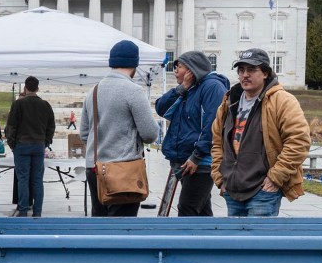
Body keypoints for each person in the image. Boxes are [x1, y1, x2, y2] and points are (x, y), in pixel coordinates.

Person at [211, 49, 310, 217]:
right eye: (241, 70)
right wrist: (220, 178)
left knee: (256, 243)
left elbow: (299, 141)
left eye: (251, 70)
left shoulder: (282, 101)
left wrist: (275, 177)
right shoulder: (229, 102)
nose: (245, 75)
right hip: (232, 190)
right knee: (235, 243)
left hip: (263, 192)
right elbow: (216, 142)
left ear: (265, 73)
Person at [80, 40, 159, 217]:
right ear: (135, 64)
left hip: (95, 168)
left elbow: (84, 133)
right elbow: (150, 134)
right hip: (124, 170)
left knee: (100, 225)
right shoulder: (133, 91)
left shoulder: (93, 90)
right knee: (123, 229)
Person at [154, 51, 230, 216]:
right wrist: (181, 89)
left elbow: (214, 126)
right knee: (201, 211)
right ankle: (208, 240)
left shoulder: (212, 87)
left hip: (200, 162)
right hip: (184, 160)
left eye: (179, 67)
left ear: (191, 70)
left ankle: (185, 242)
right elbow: (161, 108)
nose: (175, 71)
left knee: (187, 208)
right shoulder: (188, 89)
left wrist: (196, 156)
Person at [5, 75, 55, 217]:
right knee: (37, 179)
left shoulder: (18, 104)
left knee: (23, 178)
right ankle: (37, 211)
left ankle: (23, 209)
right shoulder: (45, 105)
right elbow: (51, 126)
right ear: (38, 88)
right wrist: (46, 142)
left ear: (25, 88)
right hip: (38, 145)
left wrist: (12, 144)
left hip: (22, 145)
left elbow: (11, 126)